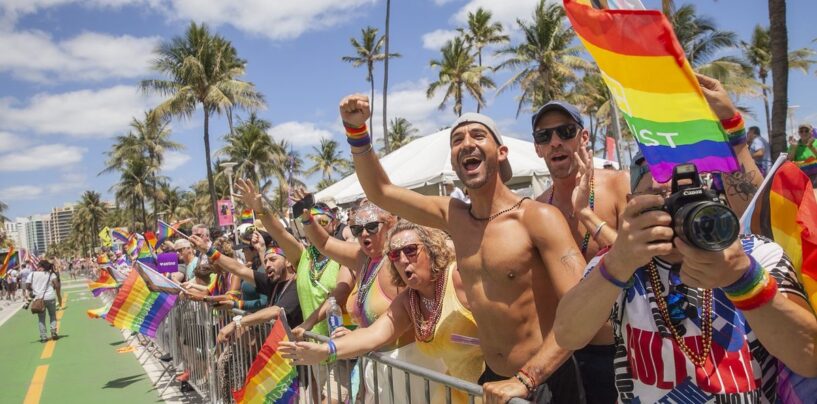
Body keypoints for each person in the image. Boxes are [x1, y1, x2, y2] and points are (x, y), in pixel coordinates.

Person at [339, 94, 586, 403]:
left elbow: (582, 308)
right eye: (457, 140)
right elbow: (381, 191)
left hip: (545, 378)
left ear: (501, 151)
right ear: (455, 161)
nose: (466, 142)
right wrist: (356, 130)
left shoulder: (538, 218)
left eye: (478, 135)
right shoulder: (455, 217)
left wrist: (528, 378)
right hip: (494, 383)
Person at [554, 151, 817, 402]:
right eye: (660, 201)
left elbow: (809, 357)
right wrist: (617, 264)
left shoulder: (758, 254)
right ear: (633, 202)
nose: (675, 214)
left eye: (684, 199)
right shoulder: (617, 264)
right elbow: (568, 335)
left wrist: (742, 278)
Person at [282, 220, 484, 403]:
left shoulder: (458, 279)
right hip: (454, 394)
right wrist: (327, 350)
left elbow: (510, 321)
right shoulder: (409, 300)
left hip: (492, 390)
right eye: (395, 255)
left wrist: (516, 378)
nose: (403, 259)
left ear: (432, 249)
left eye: (411, 250)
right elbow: (373, 335)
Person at [29, 260, 59, 342]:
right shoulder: (51, 274)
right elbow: (56, 285)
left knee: (41, 318)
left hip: (39, 298)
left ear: (40, 266)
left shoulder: (32, 274)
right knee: (52, 315)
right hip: (50, 297)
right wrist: (52, 289)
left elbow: (27, 285)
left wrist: (34, 290)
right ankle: (53, 331)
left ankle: (43, 337)